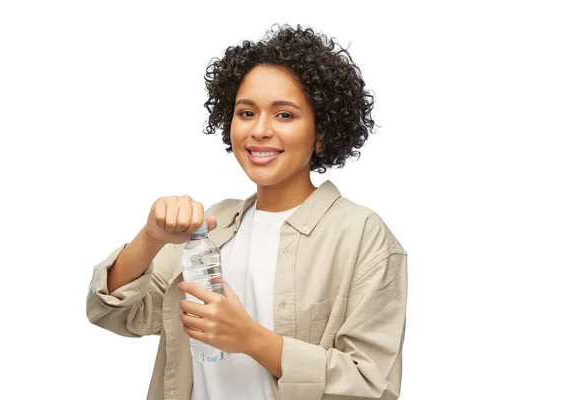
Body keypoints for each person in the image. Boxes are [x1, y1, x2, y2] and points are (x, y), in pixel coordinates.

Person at [86, 24, 408, 400]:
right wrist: (151, 237)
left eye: (284, 115)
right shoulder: (211, 226)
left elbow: (373, 386)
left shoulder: (362, 235)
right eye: (246, 112)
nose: (260, 130)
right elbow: (116, 314)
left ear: (321, 132)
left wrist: (252, 339)